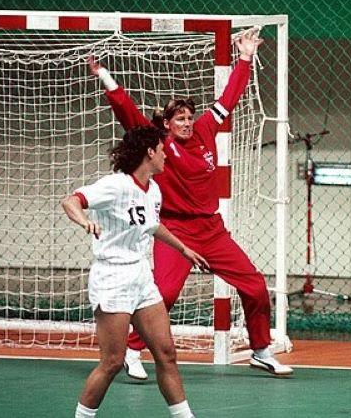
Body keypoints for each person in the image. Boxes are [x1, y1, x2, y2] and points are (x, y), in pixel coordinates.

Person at [88, 28, 292, 377]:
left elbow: (229, 97)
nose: (185, 122)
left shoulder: (206, 129)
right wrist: (106, 77)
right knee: (163, 292)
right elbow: (128, 114)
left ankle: (260, 349)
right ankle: (132, 351)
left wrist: (244, 56)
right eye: (178, 119)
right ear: (166, 124)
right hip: (176, 228)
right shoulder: (159, 142)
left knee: (255, 286)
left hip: (211, 229)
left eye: (188, 117)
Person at [62, 126, 209, 418]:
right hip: (112, 278)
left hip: (141, 276)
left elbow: (151, 225)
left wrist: (184, 249)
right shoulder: (115, 185)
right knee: (113, 362)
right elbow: (71, 201)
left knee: (166, 354)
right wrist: (84, 222)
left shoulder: (153, 189)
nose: (167, 153)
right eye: (162, 148)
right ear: (149, 152)